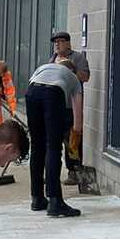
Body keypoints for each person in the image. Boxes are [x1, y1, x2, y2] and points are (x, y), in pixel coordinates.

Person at [26, 60, 83, 217]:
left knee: (37, 146)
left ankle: (37, 198)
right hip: (53, 93)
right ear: (72, 70)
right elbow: (77, 114)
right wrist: (75, 137)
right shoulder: (73, 78)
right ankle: (55, 201)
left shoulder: (43, 67)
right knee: (53, 147)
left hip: (32, 92)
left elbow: (31, 85)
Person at [48, 31, 90, 186]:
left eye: (60, 41)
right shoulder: (52, 59)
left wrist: (69, 70)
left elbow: (85, 77)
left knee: (72, 139)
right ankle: (53, 172)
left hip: (71, 105)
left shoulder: (77, 58)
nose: (57, 44)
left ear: (68, 43)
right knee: (54, 139)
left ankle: (74, 171)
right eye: (55, 42)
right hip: (54, 105)